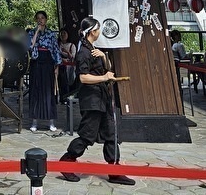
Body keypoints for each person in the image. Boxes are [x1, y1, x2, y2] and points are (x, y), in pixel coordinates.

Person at [59, 17, 135, 186]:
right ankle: (66, 162)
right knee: (87, 135)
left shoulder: (94, 50)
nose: (100, 31)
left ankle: (114, 170)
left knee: (111, 134)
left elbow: (107, 69)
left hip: (102, 97)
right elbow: (83, 77)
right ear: (92, 31)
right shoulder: (83, 52)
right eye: (98, 29)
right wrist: (104, 77)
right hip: (92, 99)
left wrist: (104, 56)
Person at [26, 10, 61, 132]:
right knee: (35, 91)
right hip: (36, 62)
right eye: (38, 18)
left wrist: (57, 65)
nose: (40, 20)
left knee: (48, 92)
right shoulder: (31, 32)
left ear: (46, 20)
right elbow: (30, 46)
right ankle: (34, 121)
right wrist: (36, 32)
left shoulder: (51, 33)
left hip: (48, 63)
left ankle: (51, 122)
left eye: (42, 18)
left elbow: (56, 49)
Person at [57, 28, 76, 103]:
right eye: (61, 33)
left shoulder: (72, 45)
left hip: (70, 66)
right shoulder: (57, 44)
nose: (63, 35)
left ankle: (71, 99)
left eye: (64, 33)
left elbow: (73, 57)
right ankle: (63, 98)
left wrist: (67, 52)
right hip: (61, 66)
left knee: (71, 82)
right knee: (62, 82)